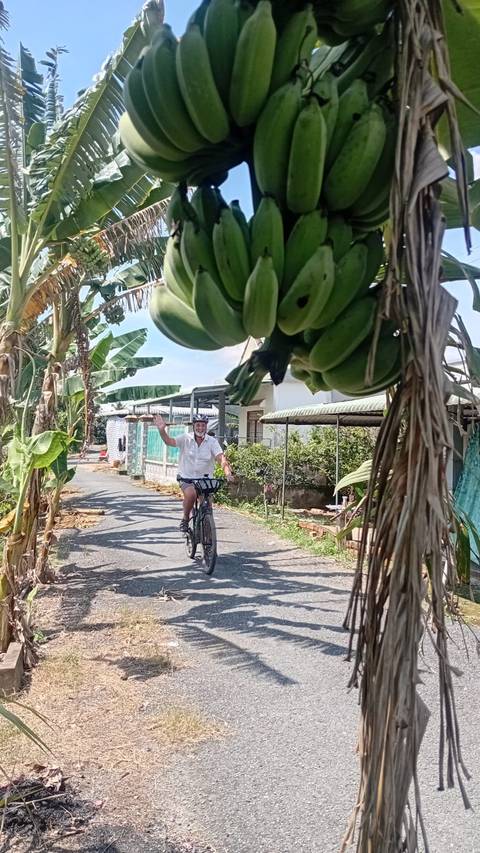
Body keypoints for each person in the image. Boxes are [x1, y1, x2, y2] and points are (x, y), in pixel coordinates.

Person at [153, 413, 233, 532]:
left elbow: (221, 458)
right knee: (191, 495)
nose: (200, 428)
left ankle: (208, 540)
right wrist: (161, 431)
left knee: (207, 505)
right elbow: (169, 441)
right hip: (186, 478)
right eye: (198, 425)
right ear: (194, 426)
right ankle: (185, 518)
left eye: (203, 426)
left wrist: (228, 473)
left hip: (205, 480)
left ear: (206, 427)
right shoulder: (185, 438)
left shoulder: (212, 442)